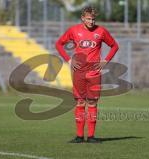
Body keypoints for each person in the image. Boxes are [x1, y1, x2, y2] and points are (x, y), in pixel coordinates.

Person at [55, 6, 119, 143]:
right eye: (89, 19)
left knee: (92, 102)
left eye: (93, 19)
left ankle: (91, 136)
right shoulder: (73, 30)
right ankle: (79, 136)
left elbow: (114, 46)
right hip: (79, 72)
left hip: (94, 72)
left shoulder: (101, 31)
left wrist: (106, 60)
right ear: (82, 18)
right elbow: (59, 44)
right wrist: (69, 60)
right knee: (79, 102)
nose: (91, 22)